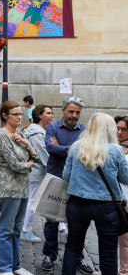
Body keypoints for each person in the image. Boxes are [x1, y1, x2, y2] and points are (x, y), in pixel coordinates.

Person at [62, 113, 128, 275]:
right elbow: (125, 178)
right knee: (108, 252)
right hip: (107, 206)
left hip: (78, 203)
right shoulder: (116, 150)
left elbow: (66, 176)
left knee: (73, 247)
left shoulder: (76, 147)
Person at [41, 96, 93, 274]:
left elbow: (86, 152)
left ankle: (78, 257)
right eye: (71, 111)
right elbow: (50, 148)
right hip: (56, 179)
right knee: (51, 221)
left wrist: (62, 147)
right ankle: (49, 254)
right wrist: (74, 149)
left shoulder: (85, 130)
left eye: (77, 112)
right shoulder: (53, 127)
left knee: (77, 223)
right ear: (63, 110)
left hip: (77, 182)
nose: (74, 115)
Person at [0, 100, 39, 275]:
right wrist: (28, 163)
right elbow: (14, 164)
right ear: (6, 116)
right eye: (16, 114)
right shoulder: (2, 135)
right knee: (5, 229)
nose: (20, 117)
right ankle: (3, 268)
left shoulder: (21, 133)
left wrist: (27, 145)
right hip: (9, 187)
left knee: (16, 229)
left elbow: (37, 158)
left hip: (23, 188)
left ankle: (16, 266)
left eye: (21, 114)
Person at [21, 104, 53, 243]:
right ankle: (24, 230)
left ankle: (63, 230)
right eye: (48, 113)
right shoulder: (36, 132)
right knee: (32, 201)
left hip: (40, 171)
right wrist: (55, 167)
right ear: (39, 115)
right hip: (37, 172)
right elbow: (42, 154)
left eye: (52, 113)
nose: (52, 115)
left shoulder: (38, 130)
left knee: (49, 199)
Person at [116, 115, 128, 275]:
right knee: (123, 240)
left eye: (124, 129)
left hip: (125, 200)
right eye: (117, 128)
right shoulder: (117, 148)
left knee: (124, 241)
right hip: (120, 201)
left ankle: (124, 271)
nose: (119, 132)